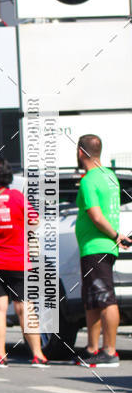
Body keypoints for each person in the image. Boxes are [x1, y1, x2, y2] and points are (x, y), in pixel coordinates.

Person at [0, 158, 47, 367]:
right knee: (25, 307)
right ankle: (38, 354)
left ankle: (1, 355)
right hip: (17, 260)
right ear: (8, 175)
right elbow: (34, 221)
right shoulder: (17, 197)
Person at [75, 134, 128, 367]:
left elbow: (96, 215)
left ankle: (110, 351)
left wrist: (115, 235)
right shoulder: (110, 176)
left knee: (105, 298)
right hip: (99, 247)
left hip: (97, 246)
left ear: (80, 152)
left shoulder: (89, 180)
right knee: (93, 300)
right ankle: (92, 348)